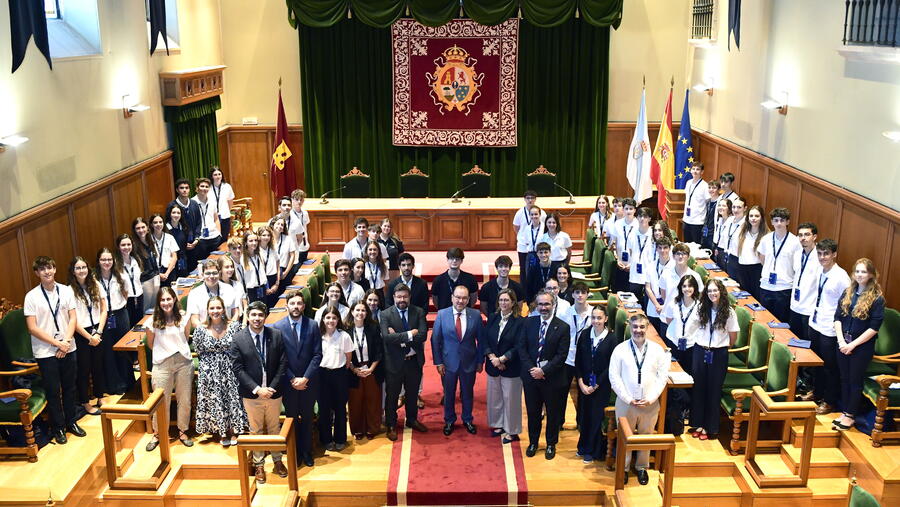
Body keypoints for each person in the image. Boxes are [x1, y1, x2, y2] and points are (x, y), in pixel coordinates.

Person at [24, 256, 83, 445]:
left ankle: (71, 422)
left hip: (68, 346)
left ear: (55, 269)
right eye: (42, 269)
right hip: (46, 351)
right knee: (52, 390)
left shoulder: (66, 291)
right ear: (37, 273)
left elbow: (73, 318)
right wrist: (58, 345)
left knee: (69, 387)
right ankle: (57, 427)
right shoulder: (31, 296)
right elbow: (33, 327)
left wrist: (65, 342)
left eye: (49, 268)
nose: (47, 272)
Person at [231, 301, 288, 483]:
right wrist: (257, 389)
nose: (257, 319)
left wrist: (272, 387)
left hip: (273, 392)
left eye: (260, 315)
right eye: (253, 315)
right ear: (248, 316)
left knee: (274, 428)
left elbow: (282, 363)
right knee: (255, 430)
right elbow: (237, 368)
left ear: (265, 317)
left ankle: (277, 460)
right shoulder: (238, 338)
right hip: (252, 393)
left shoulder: (276, 335)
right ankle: (259, 464)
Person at [609, 314, 670, 484]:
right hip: (626, 402)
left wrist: (651, 398)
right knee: (624, 437)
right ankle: (624, 467)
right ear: (629, 327)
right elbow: (614, 377)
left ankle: (642, 467)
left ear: (648, 327)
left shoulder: (658, 350)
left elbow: (662, 377)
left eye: (642, 327)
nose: (638, 330)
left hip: (649, 403)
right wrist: (627, 398)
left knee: (646, 436)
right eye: (635, 327)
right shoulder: (620, 349)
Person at [832, 258, 885, 431]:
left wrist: (852, 345)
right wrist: (841, 341)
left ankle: (850, 415)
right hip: (843, 343)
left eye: (864, 272)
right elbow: (838, 318)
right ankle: (845, 410)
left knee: (854, 381)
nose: (860, 275)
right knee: (844, 379)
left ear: (870, 274)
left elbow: (873, 328)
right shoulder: (848, 292)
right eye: (857, 271)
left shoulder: (877, 299)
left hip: (861, 347)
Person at [270, 290, 321, 467]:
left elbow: (317, 355)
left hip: (308, 382)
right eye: (293, 303)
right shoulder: (277, 327)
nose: (296, 306)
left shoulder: (313, 325)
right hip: (288, 382)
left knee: (307, 418)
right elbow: (278, 357)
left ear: (304, 306)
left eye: (299, 303)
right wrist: (292, 379)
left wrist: (305, 378)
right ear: (287, 306)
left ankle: (307, 452)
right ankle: (295, 452)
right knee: (292, 418)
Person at [518, 290, 571, 460]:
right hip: (531, 378)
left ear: (553, 305)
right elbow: (522, 348)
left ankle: (550, 444)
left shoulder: (563, 327)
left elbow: (561, 356)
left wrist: (543, 370)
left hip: (552, 379)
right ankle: (533, 442)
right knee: (533, 412)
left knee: (553, 413)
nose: (543, 308)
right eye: (540, 304)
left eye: (547, 304)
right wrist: (533, 370)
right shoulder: (528, 323)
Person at [685, 278, 739, 441]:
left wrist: (722, 347)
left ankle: (711, 427)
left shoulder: (729, 311)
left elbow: (733, 335)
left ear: (721, 292)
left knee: (714, 390)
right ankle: (698, 423)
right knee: (699, 388)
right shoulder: (701, 308)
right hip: (700, 351)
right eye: (709, 291)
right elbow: (691, 326)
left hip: (718, 354)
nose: (712, 294)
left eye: (715, 290)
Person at [193, 296, 247, 447]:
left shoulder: (234, 326)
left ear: (224, 309)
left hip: (230, 368)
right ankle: (222, 431)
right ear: (207, 311)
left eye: (218, 308)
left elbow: (240, 348)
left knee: (233, 398)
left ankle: (235, 429)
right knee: (216, 400)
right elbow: (199, 351)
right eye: (212, 308)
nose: (215, 311)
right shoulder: (200, 330)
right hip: (210, 371)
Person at [144, 286, 193, 451]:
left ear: (174, 299)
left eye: (169, 299)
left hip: (183, 361)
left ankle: (183, 430)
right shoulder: (151, 322)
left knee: (184, 399)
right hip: (162, 363)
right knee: (160, 401)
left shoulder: (184, 317)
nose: (166, 302)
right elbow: (150, 344)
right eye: (163, 300)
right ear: (159, 302)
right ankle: (158, 433)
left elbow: (186, 337)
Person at [807, 239, 851, 415]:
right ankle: (816, 393)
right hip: (815, 322)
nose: (822, 257)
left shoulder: (841, 277)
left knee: (830, 367)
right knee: (816, 363)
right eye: (819, 253)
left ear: (834, 254)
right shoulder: (819, 270)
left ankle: (829, 401)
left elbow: (847, 306)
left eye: (826, 254)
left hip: (830, 328)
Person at [432, 286, 484, 436]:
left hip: (469, 362)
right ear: (452, 298)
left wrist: (480, 361)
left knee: (468, 392)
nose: (460, 301)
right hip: (448, 363)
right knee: (449, 393)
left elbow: (481, 340)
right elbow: (435, 340)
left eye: (464, 298)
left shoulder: (475, 315)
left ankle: (467, 419)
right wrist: (438, 362)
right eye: (458, 297)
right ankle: (449, 420)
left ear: (469, 300)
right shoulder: (442, 314)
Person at [381, 283, 429, 440]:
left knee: (412, 393)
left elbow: (422, 335)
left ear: (409, 297)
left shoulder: (418, 312)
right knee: (392, 395)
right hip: (394, 363)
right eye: (399, 296)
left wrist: (398, 338)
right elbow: (387, 338)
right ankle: (391, 424)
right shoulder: (386, 314)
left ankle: (412, 420)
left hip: (413, 361)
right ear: (394, 297)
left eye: (405, 296)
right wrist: (409, 335)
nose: (402, 299)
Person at [575, 305, 615, 463]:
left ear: (605, 319)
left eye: (599, 318)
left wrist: (596, 384)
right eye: (593, 317)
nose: (596, 321)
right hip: (584, 385)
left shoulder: (612, 339)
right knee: (584, 416)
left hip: (601, 386)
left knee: (596, 417)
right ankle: (582, 446)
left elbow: (610, 366)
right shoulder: (585, 335)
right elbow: (578, 361)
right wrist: (580, 382)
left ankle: (592, 450)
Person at [484, 288, 524, 443]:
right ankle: (499, 424)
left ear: (513, 302)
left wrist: (502, 359)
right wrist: (493, 358)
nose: (503, 303)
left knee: (511, 399)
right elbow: (485, 339)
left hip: (511, 367)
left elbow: (519, 345)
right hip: (493, 365)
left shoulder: (520, 321)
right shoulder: (493, 317)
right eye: (501, 300)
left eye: (507, 300)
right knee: (496, 398)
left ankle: (512, 430)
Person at [68, 256, 107, 416]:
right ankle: (85, 402)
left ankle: (99, 396)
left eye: (84, 267)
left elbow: (104, 309)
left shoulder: (95, 284)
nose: (82, 270)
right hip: (81, 333)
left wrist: (98, 332)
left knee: (98, 366)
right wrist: (89, 337)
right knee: (84, 369)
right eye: (78, 268)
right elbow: (72, 319)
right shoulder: (68, 290)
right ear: (73, 271)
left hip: (97, 330)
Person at [95, 248, 134, 394]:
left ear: (113, 260)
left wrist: (117, 307)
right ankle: (114, 385)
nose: (106, 262)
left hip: (120, 314)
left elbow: (126, 294)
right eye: (103, 260)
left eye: (109, 259)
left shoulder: (121, 276)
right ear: (98, 261)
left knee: (123, 349)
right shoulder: (94, 279)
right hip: (104, 317)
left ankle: (127, 382)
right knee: (108, 351)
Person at [315, 306, 354, 451]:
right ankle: (326, 439)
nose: (331, 321)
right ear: (323, 319)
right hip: (322, 374)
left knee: (340, 408)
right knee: (324, 409)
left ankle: (340, 438)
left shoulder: (343, 336)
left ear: (338, 320)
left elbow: (348, 356)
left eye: (334, 318)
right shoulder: (317, 335)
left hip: (339, 374)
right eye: (328, 318)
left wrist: (343, 368)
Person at [346, 301, 384, 440]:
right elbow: (345, 353)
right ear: (352, 312)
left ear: (367, 313)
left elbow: (379, 352)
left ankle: (372, 428)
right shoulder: (346, 330)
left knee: (372, 400)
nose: (360, 313)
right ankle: (358, 429)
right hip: (353, 370)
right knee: (355, 402)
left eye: (363, 310)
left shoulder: (373, 328)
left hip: (371, 369)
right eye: (357, 310)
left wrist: (371, 369)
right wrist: (354, 369)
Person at [757, 208, 801, 323]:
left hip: (784, 288)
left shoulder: (795, 242)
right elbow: (762, 258)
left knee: (780, 323)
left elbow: (797, 265)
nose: (779, 223)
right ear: (772, 222)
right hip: (766, 286)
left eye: (782, 220)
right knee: (764, 321)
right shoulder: (766, 239)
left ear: (788, 222)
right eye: (776, 220)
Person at [561, 282, 592, 430]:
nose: (580, 295)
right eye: (577, 292)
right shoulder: (565, 313)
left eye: (583, 292)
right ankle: (559, 421)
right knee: (562, 391)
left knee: (583, 393)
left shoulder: (594, 314)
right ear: (572, 294)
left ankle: (581, 422)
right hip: (567, 357)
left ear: (587, 294)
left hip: (584, 359)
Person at [662, 274, 701, 374]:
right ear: (680, 288)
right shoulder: (673, 303)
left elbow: (701, 326)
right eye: (684, 286)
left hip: (691, 345)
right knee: (673, 372)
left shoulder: (700, 306)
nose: (687, 289)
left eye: (690, 286)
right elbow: (669, 320)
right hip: (674, 342)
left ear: (695, 288)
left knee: (689, 373)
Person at [186, 259, 240, 329]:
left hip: (227, 329)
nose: (211, 276)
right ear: (202, 275)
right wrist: (208, 332)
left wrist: (230, 328)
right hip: (205, 331)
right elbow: (194, 320)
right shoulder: (194, 293)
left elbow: (236, 313)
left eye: (214, 273)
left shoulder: (229, 289)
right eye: (208, 273)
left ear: (219, 273)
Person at [513, 190, 546, 288]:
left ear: (535, 199)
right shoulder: (519, 212)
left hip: (538, 247)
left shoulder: (542, 213)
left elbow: (544, 227)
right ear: (524, 199)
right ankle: (524, 291)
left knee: (538, 269)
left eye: (532, 198)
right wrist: (523, 237)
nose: (530, 200)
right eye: (528, 198)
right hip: (523, 246)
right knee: (523, 269)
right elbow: (516, 227)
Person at [735, 205, 768, 300]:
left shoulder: (766, 236)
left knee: (755, 299)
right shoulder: (742, 231)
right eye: (751, 216)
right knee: (743, 298)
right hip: (742, 268)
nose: (753, 218)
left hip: (756, 270)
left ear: (762, 218)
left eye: (757, 216)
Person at [644, 237, 675, 335]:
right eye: (660, 248)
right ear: (656, 249)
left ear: (669, 249)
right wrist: (657, 305)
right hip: (653, 306)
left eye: (665, 248)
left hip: (668, 307)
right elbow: (648, 288)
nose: (662, 250)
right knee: (653, 335)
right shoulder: (651, 266)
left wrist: (664, 306)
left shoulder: (674, 267)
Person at [169, 178, 202, 267]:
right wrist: (183, 243)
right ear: (177, 190)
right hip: (180, 248)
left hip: (194, 244)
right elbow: (170, 228)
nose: (184, 190)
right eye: (182, 188)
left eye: (186, 188)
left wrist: (196, 239)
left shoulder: (194, 204)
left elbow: (199, 222)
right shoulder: (172, 206)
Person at [624, 207, 653, 301]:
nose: (642, 219)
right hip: (635, 273)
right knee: (634, 299)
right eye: (640, 216)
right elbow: (631, 251)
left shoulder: (653, 234)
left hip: (648, 272)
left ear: (649, 219)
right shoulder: (632, 233)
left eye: (645, 217)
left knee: (647, 301)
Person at [115, 234, 144, 327]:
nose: (126, 247)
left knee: (139, 325)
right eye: (123, 245)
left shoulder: (136, 259)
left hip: (139, 297)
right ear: (118, 247)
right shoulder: (115, 264)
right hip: (126, 300)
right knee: (129, 327)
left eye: (129, 244)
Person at [132, 217, 161, 311]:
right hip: (145, 281)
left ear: (148, 228)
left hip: (156, 277)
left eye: (143, 227)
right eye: (138, 228)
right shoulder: (134, 246)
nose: (141, 230)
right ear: (134, 230)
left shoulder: (150, 241)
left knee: (155, 306)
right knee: (147, 308)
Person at [192, 177, 223, 261]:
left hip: (214, 237)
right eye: (202, 186)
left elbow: (216, 218)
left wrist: (219, 234)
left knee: (215, 262)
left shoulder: (212, 201)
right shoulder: (192, 203)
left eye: (206, 186)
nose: (204, 188)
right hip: (201, 239)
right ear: (197, 188)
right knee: (202, 264)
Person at [612, 198, 638, 292]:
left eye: (631, 209)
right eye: (626, 208)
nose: (628, 211)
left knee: (630, 293)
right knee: (618, 291)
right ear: (623, 209)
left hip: (632, 264)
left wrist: (632, 264)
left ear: (635, 210)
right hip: (619, 263)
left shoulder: (638, 225)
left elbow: (639, 249)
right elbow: (614, 243)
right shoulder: (618, 224)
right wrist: (617, 259)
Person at [682, 163, 710, 244]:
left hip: (698, 222)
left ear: (702, 172)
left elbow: (708, 202)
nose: (695, 171)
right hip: (686, 220)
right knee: (687, 245)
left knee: (696, 247)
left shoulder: (705, 185)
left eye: (697, 169)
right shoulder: (688, 182)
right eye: (693, 169)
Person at [149, 213, 180, 286]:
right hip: (154, 274)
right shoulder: (148, 239)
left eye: (160, 222)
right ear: (151, 224)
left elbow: (174, 257)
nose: (158, 224)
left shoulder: (170, 237)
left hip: (169, 272)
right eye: (155, 222)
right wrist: (158, 275)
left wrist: (167, 273)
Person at [271, 216, 298, 296]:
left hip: (284, 270)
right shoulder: (268, 239)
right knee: (274, 295)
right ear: (272, 225)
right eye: (278, 224)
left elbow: (292, 256)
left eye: (282, 225)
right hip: (272, 271)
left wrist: (286, 272)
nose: (280, 226)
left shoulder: (288, 239)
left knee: (284, 295)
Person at [721, 198, 746, 278]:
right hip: (726, 256)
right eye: (734, 207)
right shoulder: (730, 219)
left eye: (739, 207)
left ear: (745, 208)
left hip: (737, 259)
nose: (735, 210)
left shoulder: (746, 224)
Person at [164, 204, 190, 279]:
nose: (176, 215)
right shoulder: (165, 229)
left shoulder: (184, 227)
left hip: (182, 260)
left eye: (178, 213)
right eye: (174, 212)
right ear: (169, 214)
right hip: (170, 263)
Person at [219, 256, 248, 323]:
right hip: (225, 323)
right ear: (220, 269)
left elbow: (245, 305)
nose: (230, 269)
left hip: (241, 320)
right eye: (227, 267)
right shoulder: (218, 286)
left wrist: (244, 323)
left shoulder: (238, 284)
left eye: (231, 266)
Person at [241, 230, 268, 304]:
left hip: (262, 289)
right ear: (246, 242)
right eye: (251, 241)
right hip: (251, 291)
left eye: (256, 240)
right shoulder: (242, 258)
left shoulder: (259, 255)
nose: (254, 243)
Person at [257, 225, 281, 307]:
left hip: (273, 279)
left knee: (275, 305)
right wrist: (266, 288)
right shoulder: (256, 251)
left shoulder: (273, 248)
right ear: (259, 236)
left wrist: (277, 283)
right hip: (263, 281)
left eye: (268, 235)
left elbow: (278, 265)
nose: (266, 237)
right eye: (263, 235)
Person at [209, 166, 235, 240]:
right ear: (212, 176)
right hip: (212, 217)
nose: (218, 176)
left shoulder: (227, 186)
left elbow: (230, 202)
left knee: (224, 238)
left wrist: (226, 211)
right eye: (215, 175)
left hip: (225, 216)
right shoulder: (208, 187)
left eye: (219, 174)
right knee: (215, 238)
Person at [288, 189, 310, 265]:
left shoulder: (305, 213)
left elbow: (305, 226)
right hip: (295, 247)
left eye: (301, 200)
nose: (299, 202)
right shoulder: (289, 215)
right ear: (292, 200)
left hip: (305, 245)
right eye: (297, 199)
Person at [711, 198, 733, 268]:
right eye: (719, 205)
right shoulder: (720, 220)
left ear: (729, 208)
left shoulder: (731, 221)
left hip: (726, 252)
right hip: (718, 249)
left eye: (724, 206)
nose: (720, 207)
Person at [700, 179, 722, 250]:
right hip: (705, 231)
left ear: (719, 189)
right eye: (709, 187)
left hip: (714, 233)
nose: (711, 190)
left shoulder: (720, 203)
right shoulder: (708, 201)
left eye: (714, 188)